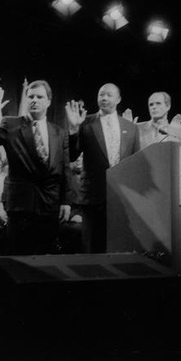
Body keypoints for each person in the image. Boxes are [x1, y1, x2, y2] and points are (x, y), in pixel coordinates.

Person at [0, 80, 72, 255]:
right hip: (21, 205)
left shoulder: (59, 132)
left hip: (49, 204)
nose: (34, 100)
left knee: (46, 258)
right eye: (31, 97)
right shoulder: (10, 124)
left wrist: (66, 200)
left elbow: (64, 167)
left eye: (39, 97)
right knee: (19, 259)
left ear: (49, 101)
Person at [65, 83, 140, 254]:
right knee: (91, 251)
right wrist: (74, 129)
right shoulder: (84, 122)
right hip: (93, 198)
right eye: (101, 95)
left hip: (121, 200)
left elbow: (135, 164)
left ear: (119, 99)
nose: (104, 98)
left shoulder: (131, 128)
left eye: (109, 95)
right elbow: (71, 155)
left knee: (118, 251)